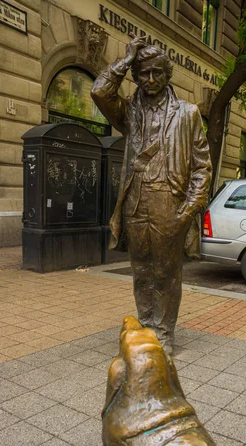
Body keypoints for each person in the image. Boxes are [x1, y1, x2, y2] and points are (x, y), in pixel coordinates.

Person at [91, 37, 212, 354]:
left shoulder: (188, 114)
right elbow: (99, 91)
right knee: (141, 270)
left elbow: (202, 167)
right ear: (136, 75)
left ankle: (165, 332)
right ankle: (147, 327)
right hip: (136, 202)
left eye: (157, 72)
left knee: (167, 273)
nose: (150, 79)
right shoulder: (129, 113)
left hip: (170, 203)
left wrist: (189, 209)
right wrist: (126, 59)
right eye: (143, 73)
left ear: (167, 74)